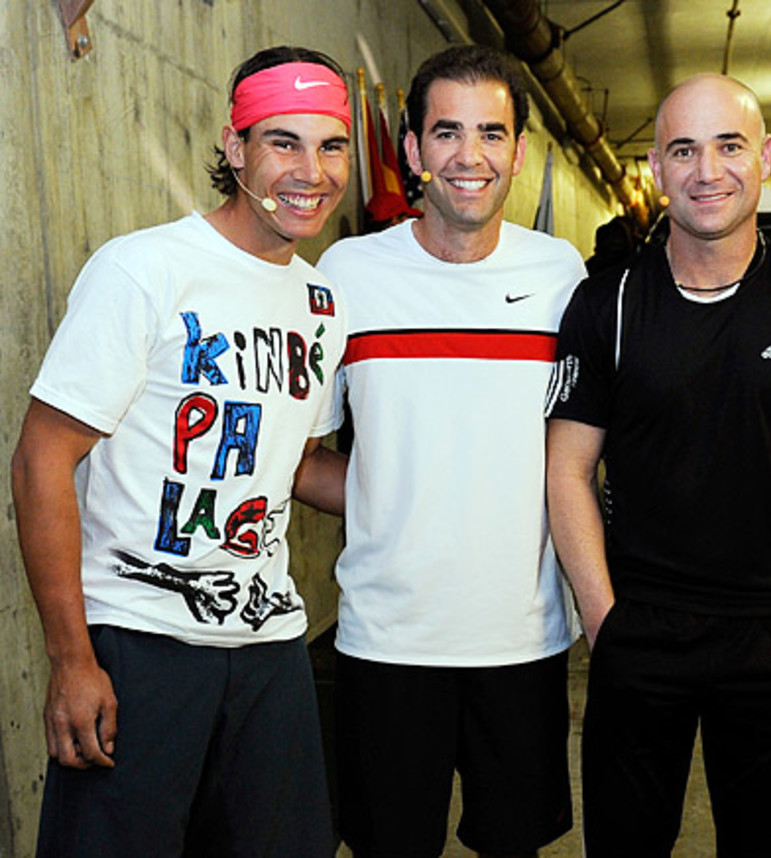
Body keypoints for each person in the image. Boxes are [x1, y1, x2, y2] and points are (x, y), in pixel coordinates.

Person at [10, 45, 352, 857]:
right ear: (235, 150)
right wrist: (72, 658)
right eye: (283, 141)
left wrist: (432, 482)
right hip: (139, 640)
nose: (312, 171)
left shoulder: (320, 303)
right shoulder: (145, 269)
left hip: (268, 646)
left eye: (331, 144)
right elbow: (40, 461)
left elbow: (294, 464)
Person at [545, 73, 771, 856]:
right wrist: (606, 623)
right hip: (640, 633)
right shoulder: (608, 306)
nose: (708, 171)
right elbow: (567, 470)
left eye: (729, 146)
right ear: (656, 171)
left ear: (765, 156)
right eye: (683, 150)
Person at [300, 44, 586, 858]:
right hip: (387, 644)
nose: (471, 156)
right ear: (415, 150)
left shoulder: (560, 275)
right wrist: (394, 495)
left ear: (519, 152)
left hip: (523, 640)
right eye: (448, 132)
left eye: (492, 133)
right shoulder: (349, 273)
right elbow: (296, 455)